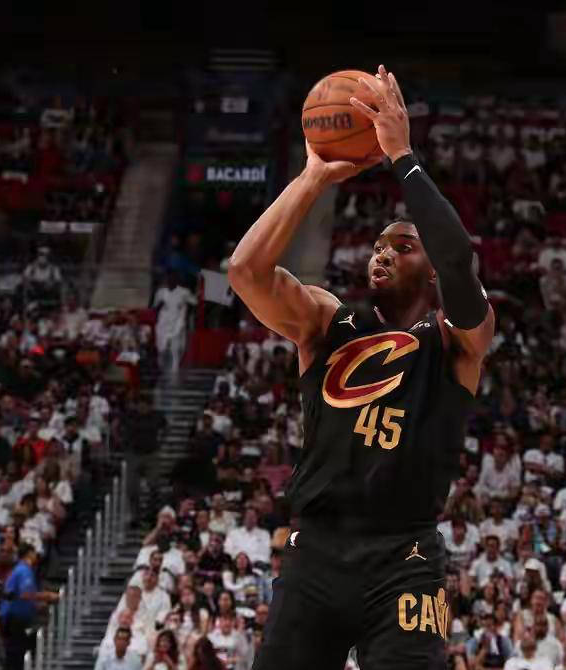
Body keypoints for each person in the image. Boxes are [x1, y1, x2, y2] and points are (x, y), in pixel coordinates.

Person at [229, 64, 494, 670]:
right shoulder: (327, 321)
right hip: (316, 551)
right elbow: (245, 272)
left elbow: (459, 259)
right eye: (378, 245)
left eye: (403, 246)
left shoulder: (455, 339)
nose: (383, 253)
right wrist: (312, 177)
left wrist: (402, 157)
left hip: (406, 558)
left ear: (430, 268)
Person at [0, 544, 58, 670]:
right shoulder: (24, 570)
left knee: (18, 651)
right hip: (15, 618)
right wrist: (47, 596)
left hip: (16, 617)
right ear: (29, 554)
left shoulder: (20, 569)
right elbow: (25, 594)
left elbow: (20, 595)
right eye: (34, 553)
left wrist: (36, 605)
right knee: (16, 654)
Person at [153, 272, 197, 374]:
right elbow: (155, 306)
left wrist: (187, 312)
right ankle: (161, 361)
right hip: (163, 322)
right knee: (161, 345)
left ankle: (175, 365)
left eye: (173, 279)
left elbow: (194, 302)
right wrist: (159, 305)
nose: (170, 281)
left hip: (178, 321)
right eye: (168, 279)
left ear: (177, 280)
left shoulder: (184, 292)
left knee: (177, 345)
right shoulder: (161, 292)